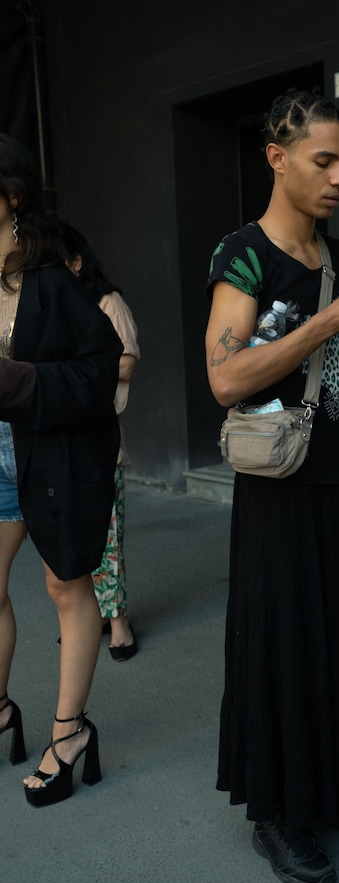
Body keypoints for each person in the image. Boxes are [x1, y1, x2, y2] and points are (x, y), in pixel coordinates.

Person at [205, 88, 339, 883]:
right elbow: (225, 379)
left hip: (336, 473)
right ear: (277, 158)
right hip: (275, 483)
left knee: (334, 634)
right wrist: (328, 324)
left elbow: (338, 386)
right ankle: (279, 813)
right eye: (322, 160)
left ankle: (334, 785)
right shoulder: (245, 256)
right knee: (281, 640)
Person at [0, 134, 122, 804]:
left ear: (12, 198)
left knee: (65, 588)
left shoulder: (49, 284)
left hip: (47, 450)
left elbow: (98, 373)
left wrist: (16, 385)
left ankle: (69, 731)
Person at [58, 222, 140, 661]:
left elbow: (125, 364)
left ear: (76, 262)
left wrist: (72, 373)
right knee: (73, 534)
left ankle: (119, 620)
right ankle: (91, 617)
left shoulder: (108, 302)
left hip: (99, 437)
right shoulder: (54, 308)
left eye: (57, 263)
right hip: (62, 439)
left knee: (108, 535)